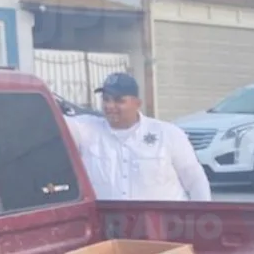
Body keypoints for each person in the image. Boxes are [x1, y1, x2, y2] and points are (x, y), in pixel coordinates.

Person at [66, 73, 211, 201]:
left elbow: (195, 180)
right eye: (106, 99)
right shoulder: (86, 129)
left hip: (163, 222)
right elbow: (55, 119)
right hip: (108, 222)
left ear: (137, 104)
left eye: (119, 100)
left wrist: (204, 218)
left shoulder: (168, 134)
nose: (110, 106)